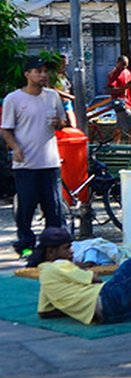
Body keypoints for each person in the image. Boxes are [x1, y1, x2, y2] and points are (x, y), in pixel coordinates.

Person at [1, 57, 67, 257]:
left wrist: (59, 123)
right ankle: (26, 246)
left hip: (50, 162)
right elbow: (5, 130)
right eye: (38, 71)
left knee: (54, 207)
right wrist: (16, 148)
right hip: (26, 164)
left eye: (45, 71)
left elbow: (63, 121)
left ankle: (54, 248)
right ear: (27, 74)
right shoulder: (14, 99)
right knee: (26, 208)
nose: (43, 75)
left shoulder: (52, 97)